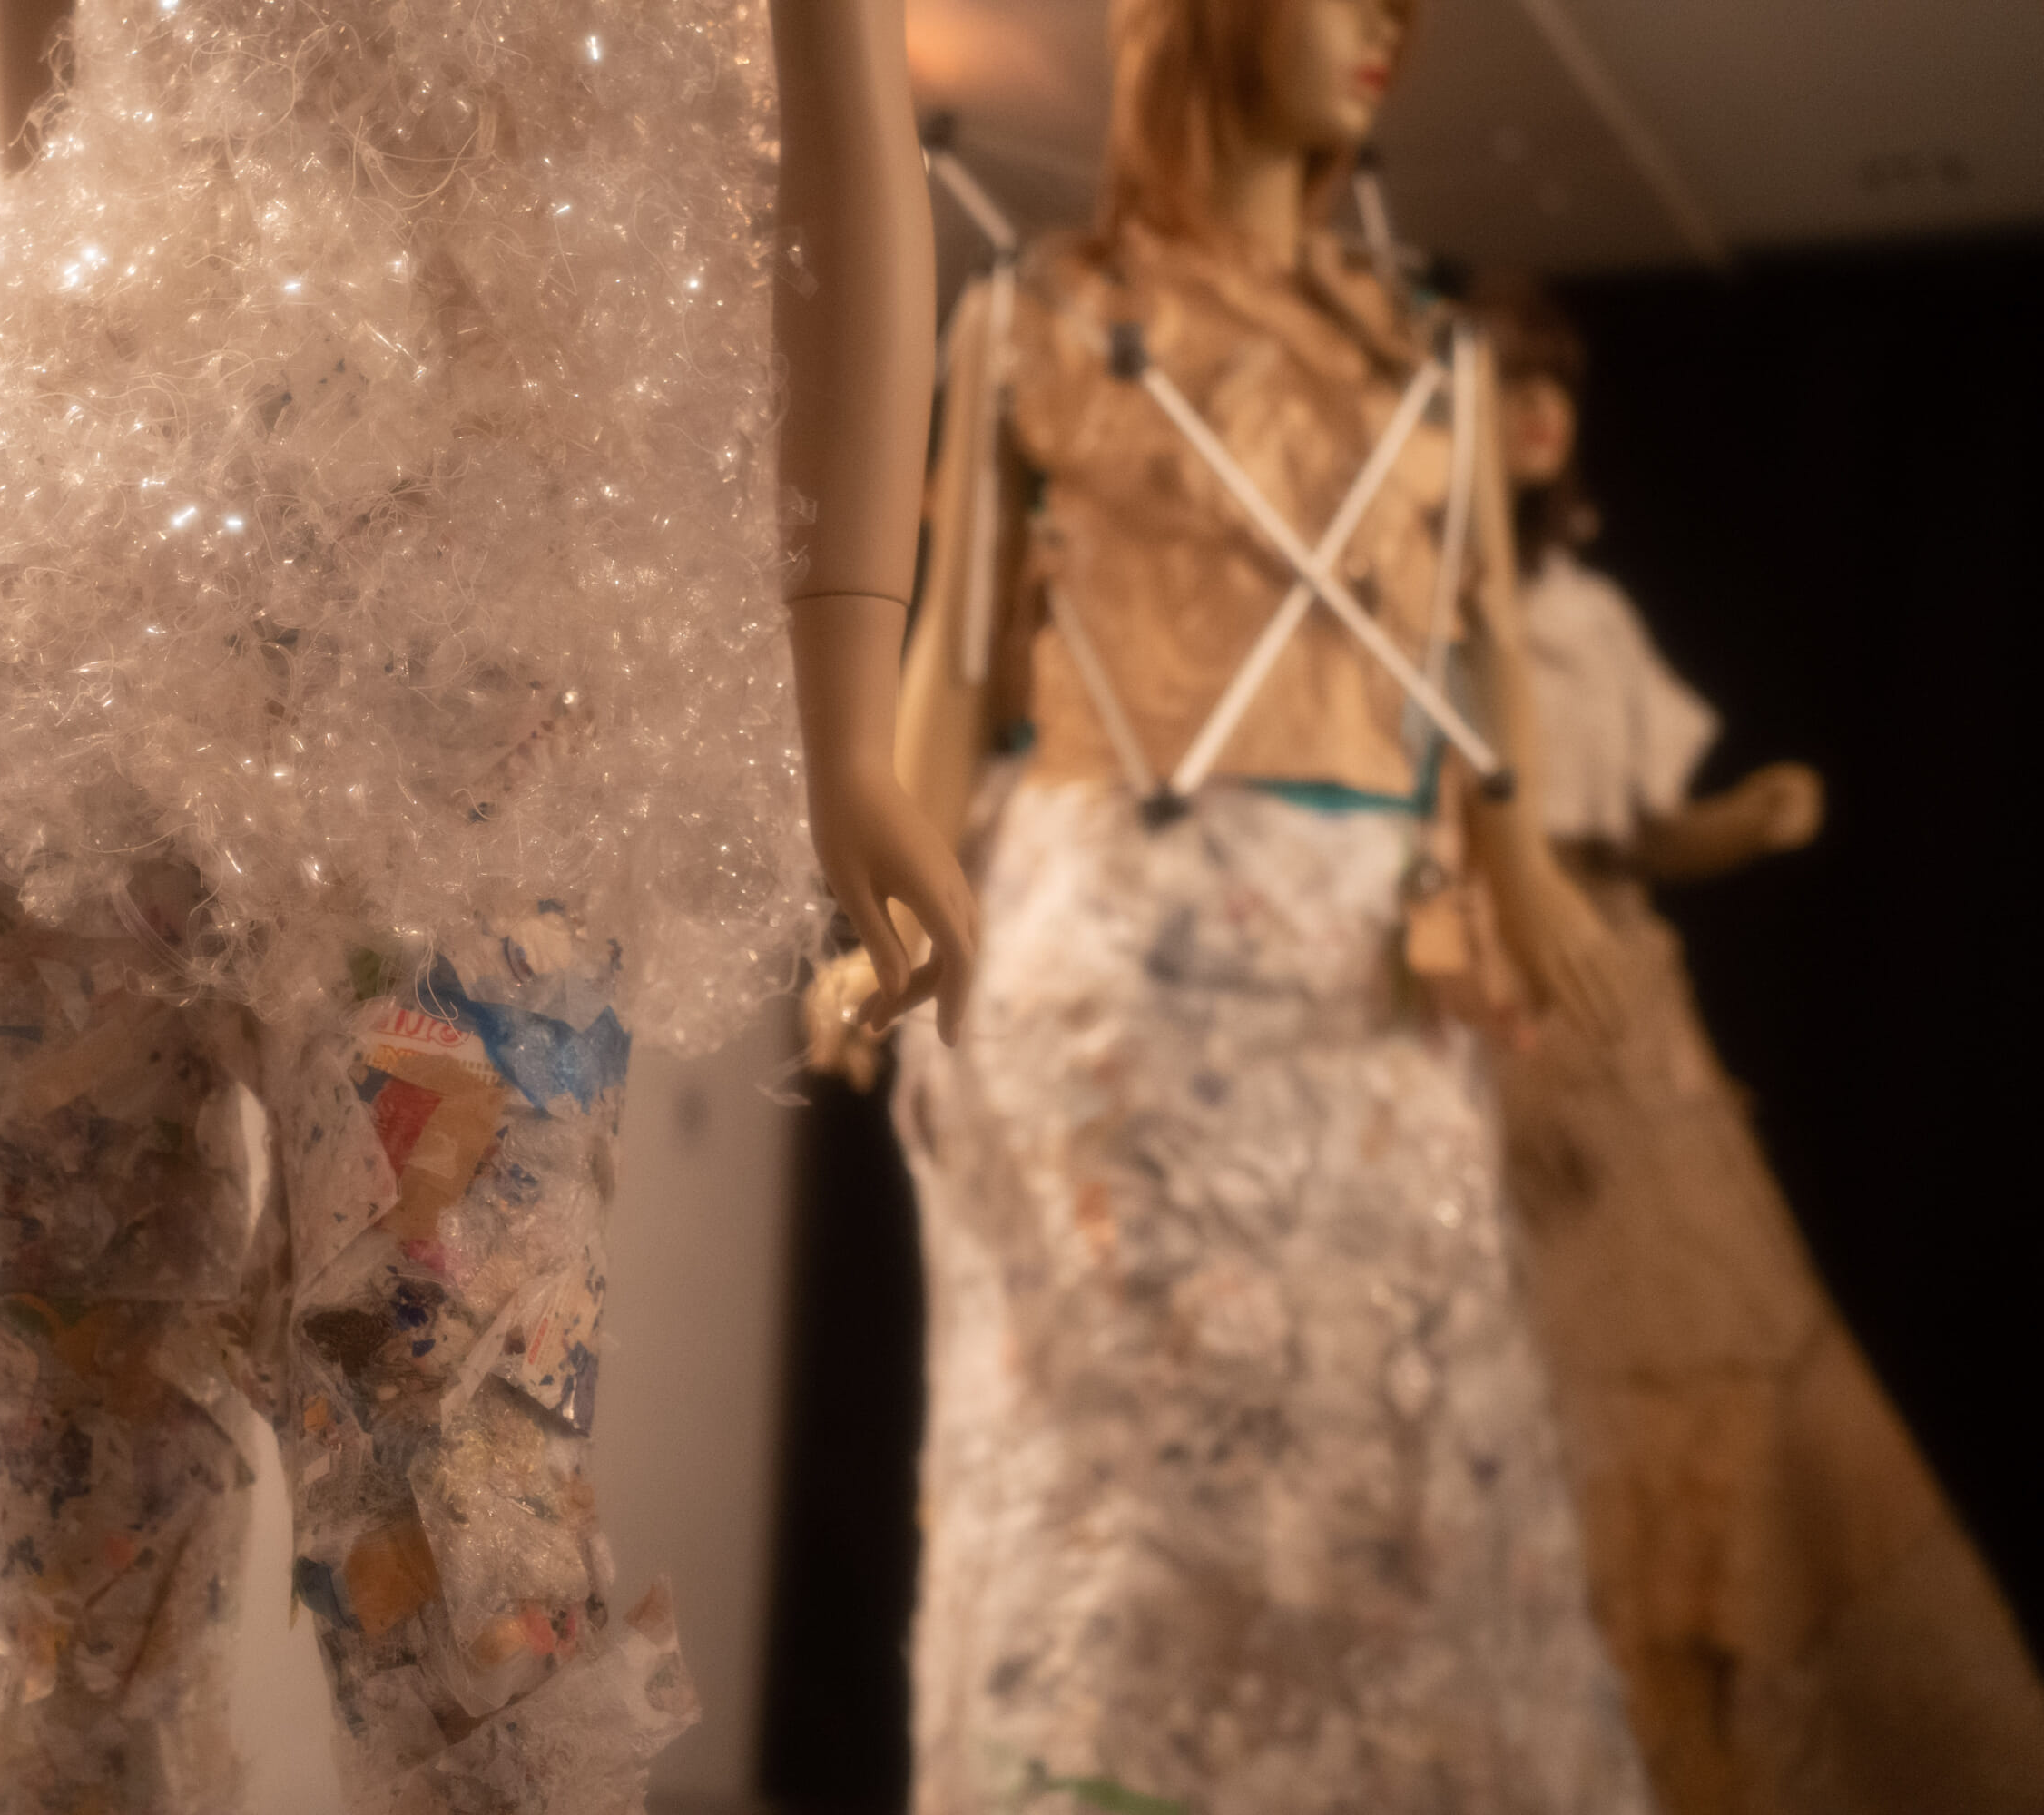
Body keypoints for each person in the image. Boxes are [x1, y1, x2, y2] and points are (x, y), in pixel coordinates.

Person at [0, 2, 974, 1810]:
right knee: (71, 1575)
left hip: (476, 689)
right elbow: (67, 186)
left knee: (464, 1544)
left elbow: (847, 143)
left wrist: (852, 711)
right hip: (52, 675)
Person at [812, 0, 1656, 1806]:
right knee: (1109, 1484)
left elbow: (1487, 653)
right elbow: (955, 663)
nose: (1386, 30)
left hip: (1366, 993)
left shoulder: (1425, 347)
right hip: (1108, 983)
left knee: (1403, 1473)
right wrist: (878, 913)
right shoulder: (1035, 319)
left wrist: (1515, 862)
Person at [1479, 277, 2044, 1815]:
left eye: (1556, 385)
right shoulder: (1412, 625)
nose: (1541, 414)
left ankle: (1717, 1753)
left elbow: (1639, 832)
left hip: (1624, 1016)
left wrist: (1745, 819)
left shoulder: (1585, 614)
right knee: (1545, 1382)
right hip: (1489, 1013)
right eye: (1508, 384)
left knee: (1727, 1366)